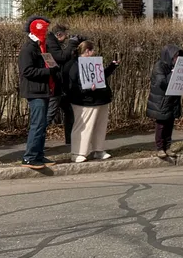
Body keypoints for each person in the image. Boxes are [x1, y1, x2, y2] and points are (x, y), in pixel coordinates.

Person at [64, 40, 118, 162]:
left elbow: (100, 76)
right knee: (83, 127)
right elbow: (72, 85)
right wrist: (86, 90)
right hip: (84, 101)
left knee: (100, 126)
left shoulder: (91, 63)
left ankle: (98, 150)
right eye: (92, 50)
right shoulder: (73, 65)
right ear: (88, 51)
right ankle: (77, 152)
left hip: (99, 99)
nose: (94, 53)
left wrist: (111, 67)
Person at [18, 16, 57, 170]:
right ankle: (29, 157)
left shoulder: (42, 47)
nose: (47, 34)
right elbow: (27, 71)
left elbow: (50, 64)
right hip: (35, 92)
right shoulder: (29, 49)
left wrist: (53, 68)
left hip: (43, 90)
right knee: (37, 124)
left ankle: (38, 154)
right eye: (45, 31)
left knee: (41, 125)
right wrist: (48, 72)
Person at [147, 44, 183, 161]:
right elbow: (161, 82)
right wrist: (173, 74)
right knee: (161, 125)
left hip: (172, 100)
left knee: (170, 124)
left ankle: (167, 147)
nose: (176, 59)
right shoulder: (159, 66)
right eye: (175, 57)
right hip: (161, 101)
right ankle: (160, 148)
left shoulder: (173, 67)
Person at [46, 23, 77, 147]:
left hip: (59, 85)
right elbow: (61, 57)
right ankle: (37, 142)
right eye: (65, 35)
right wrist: (72, 44)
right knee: (50, 113)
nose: (66, 38)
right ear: (59, 34)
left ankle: (70, 140)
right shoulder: (51, 42)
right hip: (54, 86)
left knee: (69, 111)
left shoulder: (53, 42)